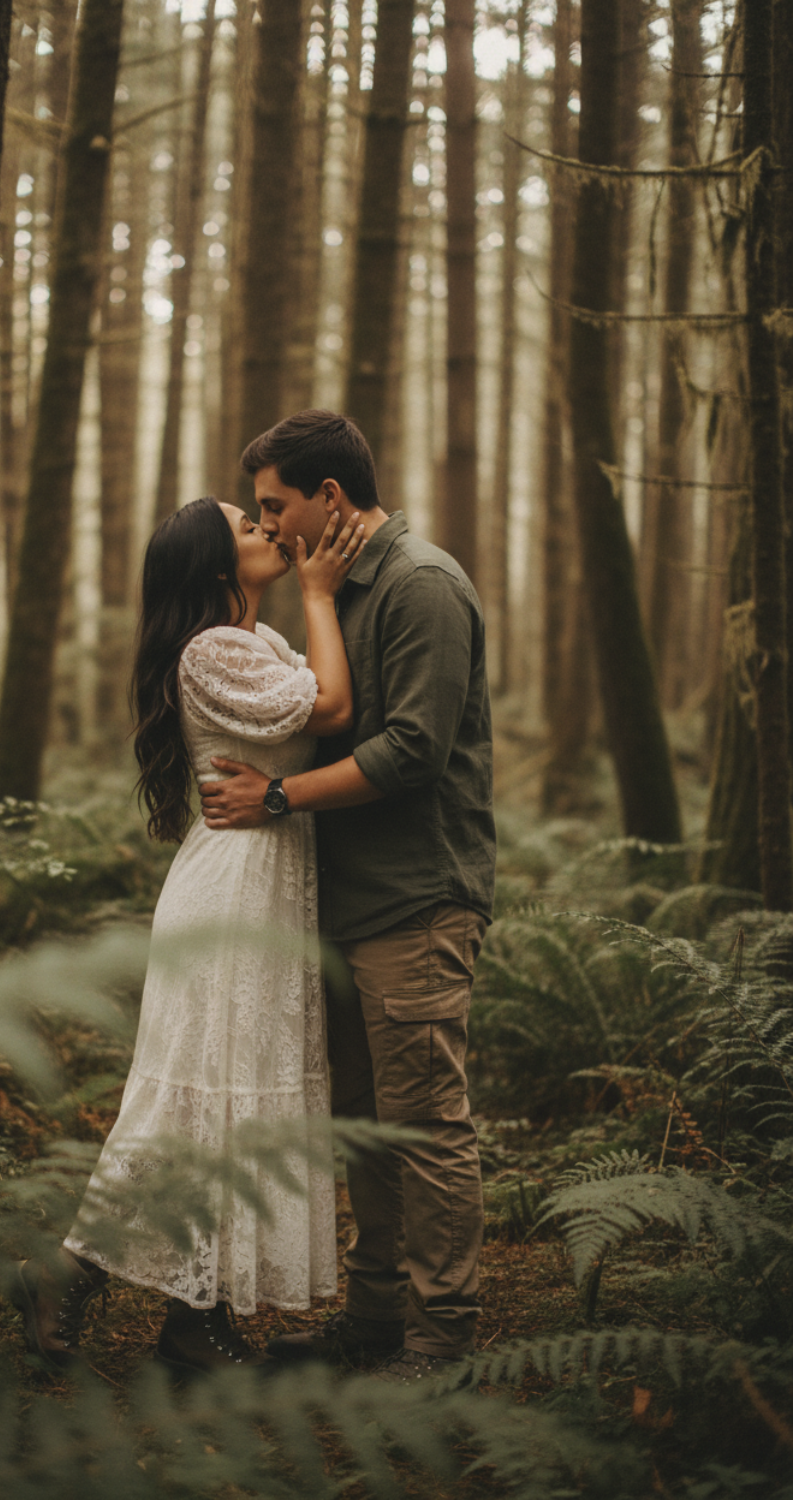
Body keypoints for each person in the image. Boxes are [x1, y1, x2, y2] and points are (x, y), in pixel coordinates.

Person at [10, 494, 366, 1375]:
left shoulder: (252, 644)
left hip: (264, 888)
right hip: (230, 901)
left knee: (225, 1103)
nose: (269, 531)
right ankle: (73, 1276)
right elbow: (329, 711)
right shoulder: (212, 649)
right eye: (249, 526)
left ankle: (189, 1318)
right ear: (217, 566)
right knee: (195, 1102)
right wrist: (322, 594)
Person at [199, 410, 495, 1384]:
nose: (268, 522)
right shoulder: (331, 592)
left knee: (423, 1123)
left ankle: (439, 1336)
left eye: (274, 504)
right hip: (338, 905)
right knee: (361, 1122)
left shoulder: (420, 585)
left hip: (414, 900)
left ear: (330, 498)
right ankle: (373, 1321)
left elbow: (411, 752)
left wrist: (276, 794)